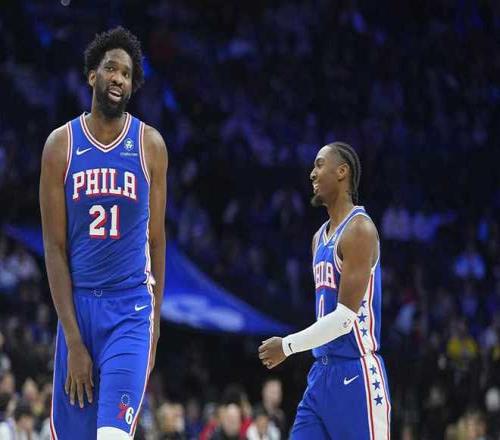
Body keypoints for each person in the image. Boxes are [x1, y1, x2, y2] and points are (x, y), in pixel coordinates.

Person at [39, 27, 168, 439]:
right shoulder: (60, 146)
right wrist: (74, 342)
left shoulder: (150, 145)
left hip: (130, 310)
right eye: (111, 69)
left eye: (126, 74)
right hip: (78, 310)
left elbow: (157, 242)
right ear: (92, 75)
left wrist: (155, 325)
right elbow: (54, 248)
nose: (118, 78)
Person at [258, 142, 391, 439]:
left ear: (342, 172)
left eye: (319, 164)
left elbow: (344, 319)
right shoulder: (318, 238)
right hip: (321, 373)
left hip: (356, 375)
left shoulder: (359, 229)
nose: (312, 173)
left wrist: (287, 346)